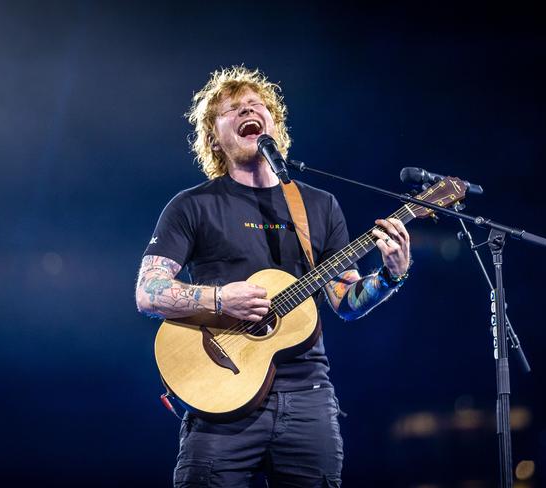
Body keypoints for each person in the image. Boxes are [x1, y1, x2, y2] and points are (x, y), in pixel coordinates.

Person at [135, 66, 411, 487]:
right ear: (214, 135)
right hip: (219, 402)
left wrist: (390, 277)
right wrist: (220, 300)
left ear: (274, 124)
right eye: (232, 109)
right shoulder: (192, 205)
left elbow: (346, 303)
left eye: (256, 104)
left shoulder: (318, 205)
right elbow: (148, 292)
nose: (248, 109)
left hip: (307, 399)